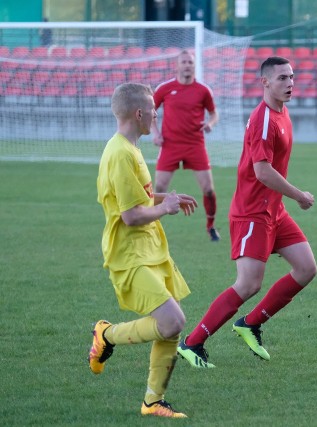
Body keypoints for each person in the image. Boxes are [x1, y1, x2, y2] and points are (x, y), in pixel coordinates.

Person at [177, 56, 317, 367]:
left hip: (273, 211)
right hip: (252, 213)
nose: (290, 82)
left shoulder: (283, 112)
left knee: (306, 268)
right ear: (265, 82)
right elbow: (262, 171)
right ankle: (191, 343)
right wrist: (298, 196)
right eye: (282, 78)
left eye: (291, 76)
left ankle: (250, 323)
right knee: (249, 284)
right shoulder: (264, 119)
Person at [91, 82, 198, 417]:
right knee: (172, 321)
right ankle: (106, 335)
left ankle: (153, 402)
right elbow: (131, 215)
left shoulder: (131, 148)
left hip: (151, 248)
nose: (156, 112)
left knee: (172, 323)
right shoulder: (120, 154)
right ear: (139, 113)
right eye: (153, 108)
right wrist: (163, 209)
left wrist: (166, 199)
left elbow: (139, 200)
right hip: (130, 253)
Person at [151, 50, 221, 241]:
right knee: (159, 187)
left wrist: (210, 124)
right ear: (177, 65)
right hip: (170, 145)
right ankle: (152, 227)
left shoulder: (203, 90)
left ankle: (211, 226)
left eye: (190, 62)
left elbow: (214, 114)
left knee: (208, 189)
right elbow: (151, 112)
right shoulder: (165, 88)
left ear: (194, 65)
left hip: (195, 145)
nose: (187, 65)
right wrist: (155, 134)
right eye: (184, 62)